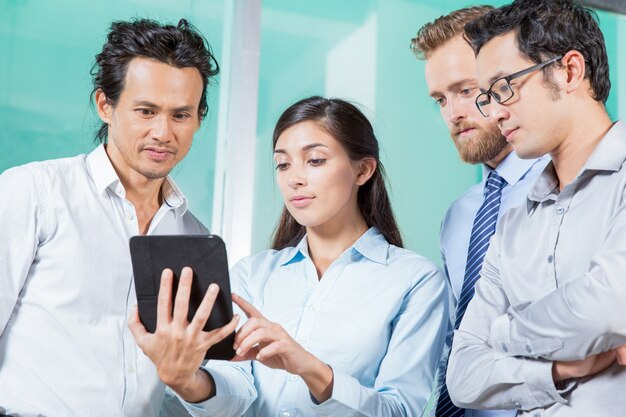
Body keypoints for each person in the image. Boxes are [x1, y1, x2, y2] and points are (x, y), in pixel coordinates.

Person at [130, 96, 449, 417]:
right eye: (283, 164)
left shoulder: (414, 280)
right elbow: (236, 390)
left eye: (315, 160)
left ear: (363, 170)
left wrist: (309, 368)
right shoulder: (252, 274)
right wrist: (187, 380)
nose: (294, 178)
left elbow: (399, 410)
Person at [0, 18, 235, 416]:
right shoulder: (33, 193)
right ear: (105, 105)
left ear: (198, 119)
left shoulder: (194, 237)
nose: (163, 132)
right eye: (146, 111)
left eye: (181, 115)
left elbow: (196, 376)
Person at [445, 0, 626, 415]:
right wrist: (555, 369)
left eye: (505, 86)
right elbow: (463, 376)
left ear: (569, 71)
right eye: (488, 95)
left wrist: (504, 334)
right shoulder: (512, 223)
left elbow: (608, 307)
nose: (494, 112)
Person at [410, 6, 548, 417]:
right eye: (440, 99)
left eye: (466, 90)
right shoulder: (458, 216)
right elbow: (459, 337)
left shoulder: (566, 185)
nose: (453, 114)